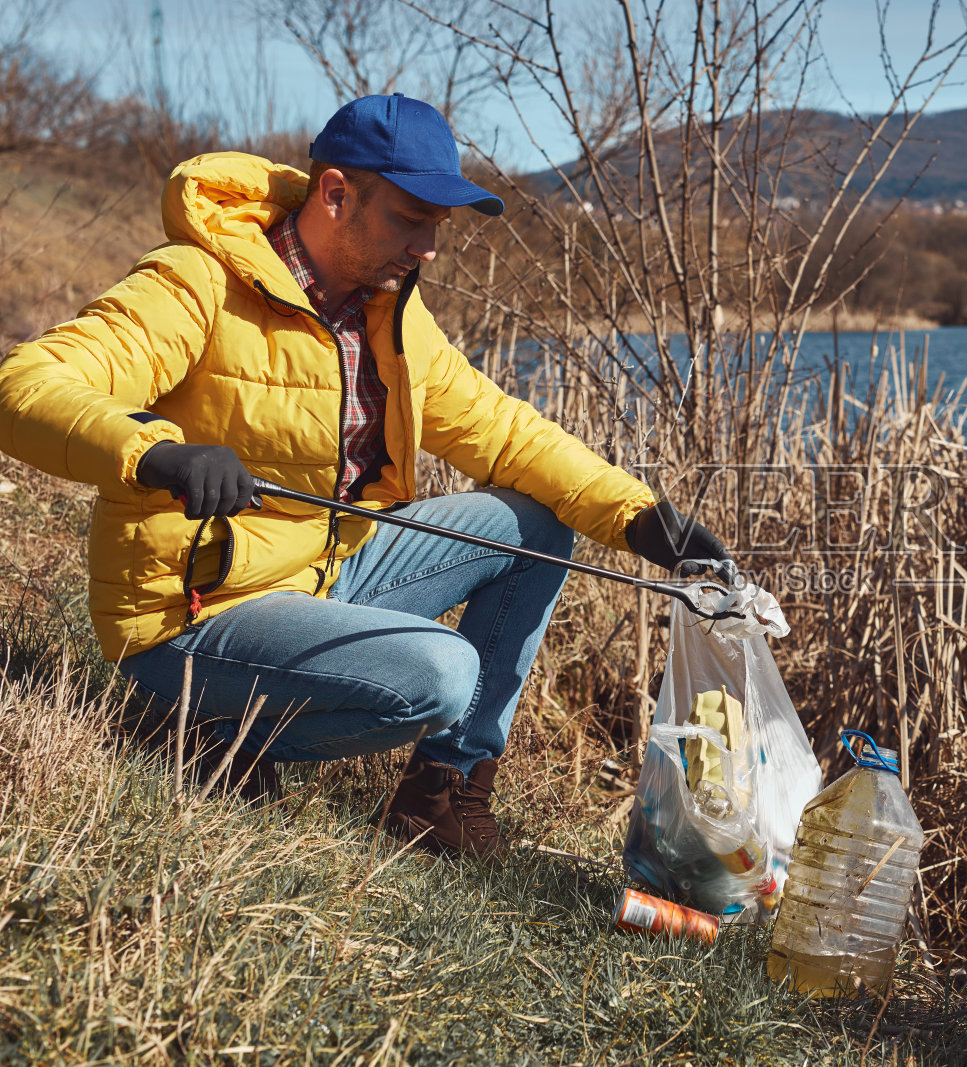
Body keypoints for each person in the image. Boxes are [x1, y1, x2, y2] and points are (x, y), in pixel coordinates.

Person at [0, 94, 731, 859]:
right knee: (444, 673)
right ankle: (200, 730)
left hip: (320, 576)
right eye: (411, 218)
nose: (428, 247)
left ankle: (440, 795)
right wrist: (155, 449)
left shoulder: (384, 314)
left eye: (436, 226)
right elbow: (27, 383)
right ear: (338, 193)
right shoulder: (197, 284)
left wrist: (643, 518)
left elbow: (505, 431)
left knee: (535, 522)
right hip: (195, 615)